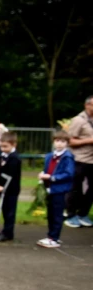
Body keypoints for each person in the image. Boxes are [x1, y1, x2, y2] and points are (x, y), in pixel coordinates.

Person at [38, 132, 75, 248]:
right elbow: (47, 169)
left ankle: (54, 237)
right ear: (53, 142)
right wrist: (43, 175)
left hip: (60, 189)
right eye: (57, 141)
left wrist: (53, 178)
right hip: (50, 188)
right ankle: (50, 235)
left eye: (63, 141)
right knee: (50, 214)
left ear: (67, 144)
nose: (59, 144)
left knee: (57, 214)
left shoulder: (67, 157)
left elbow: (69, 174)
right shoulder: (49, 156)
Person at [65, 95, 93, 228]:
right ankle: (71, 214)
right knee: (75, 188)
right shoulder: (78, 120)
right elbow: (70, 141)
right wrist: (89, 140)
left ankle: (83, 213)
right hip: (80, 159)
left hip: (92, 160)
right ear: (87, 105)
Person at [0, 132, 21, 242]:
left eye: (6, 146)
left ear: (13, 145)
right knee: (4, 210)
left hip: (11, 189)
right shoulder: (2, 156)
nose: (3, 149)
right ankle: (6, 230)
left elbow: (10, 175)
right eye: (1, 146)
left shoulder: (15, 158)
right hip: (2, 187)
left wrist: (3, 187)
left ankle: (8, 232)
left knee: (10, 211)